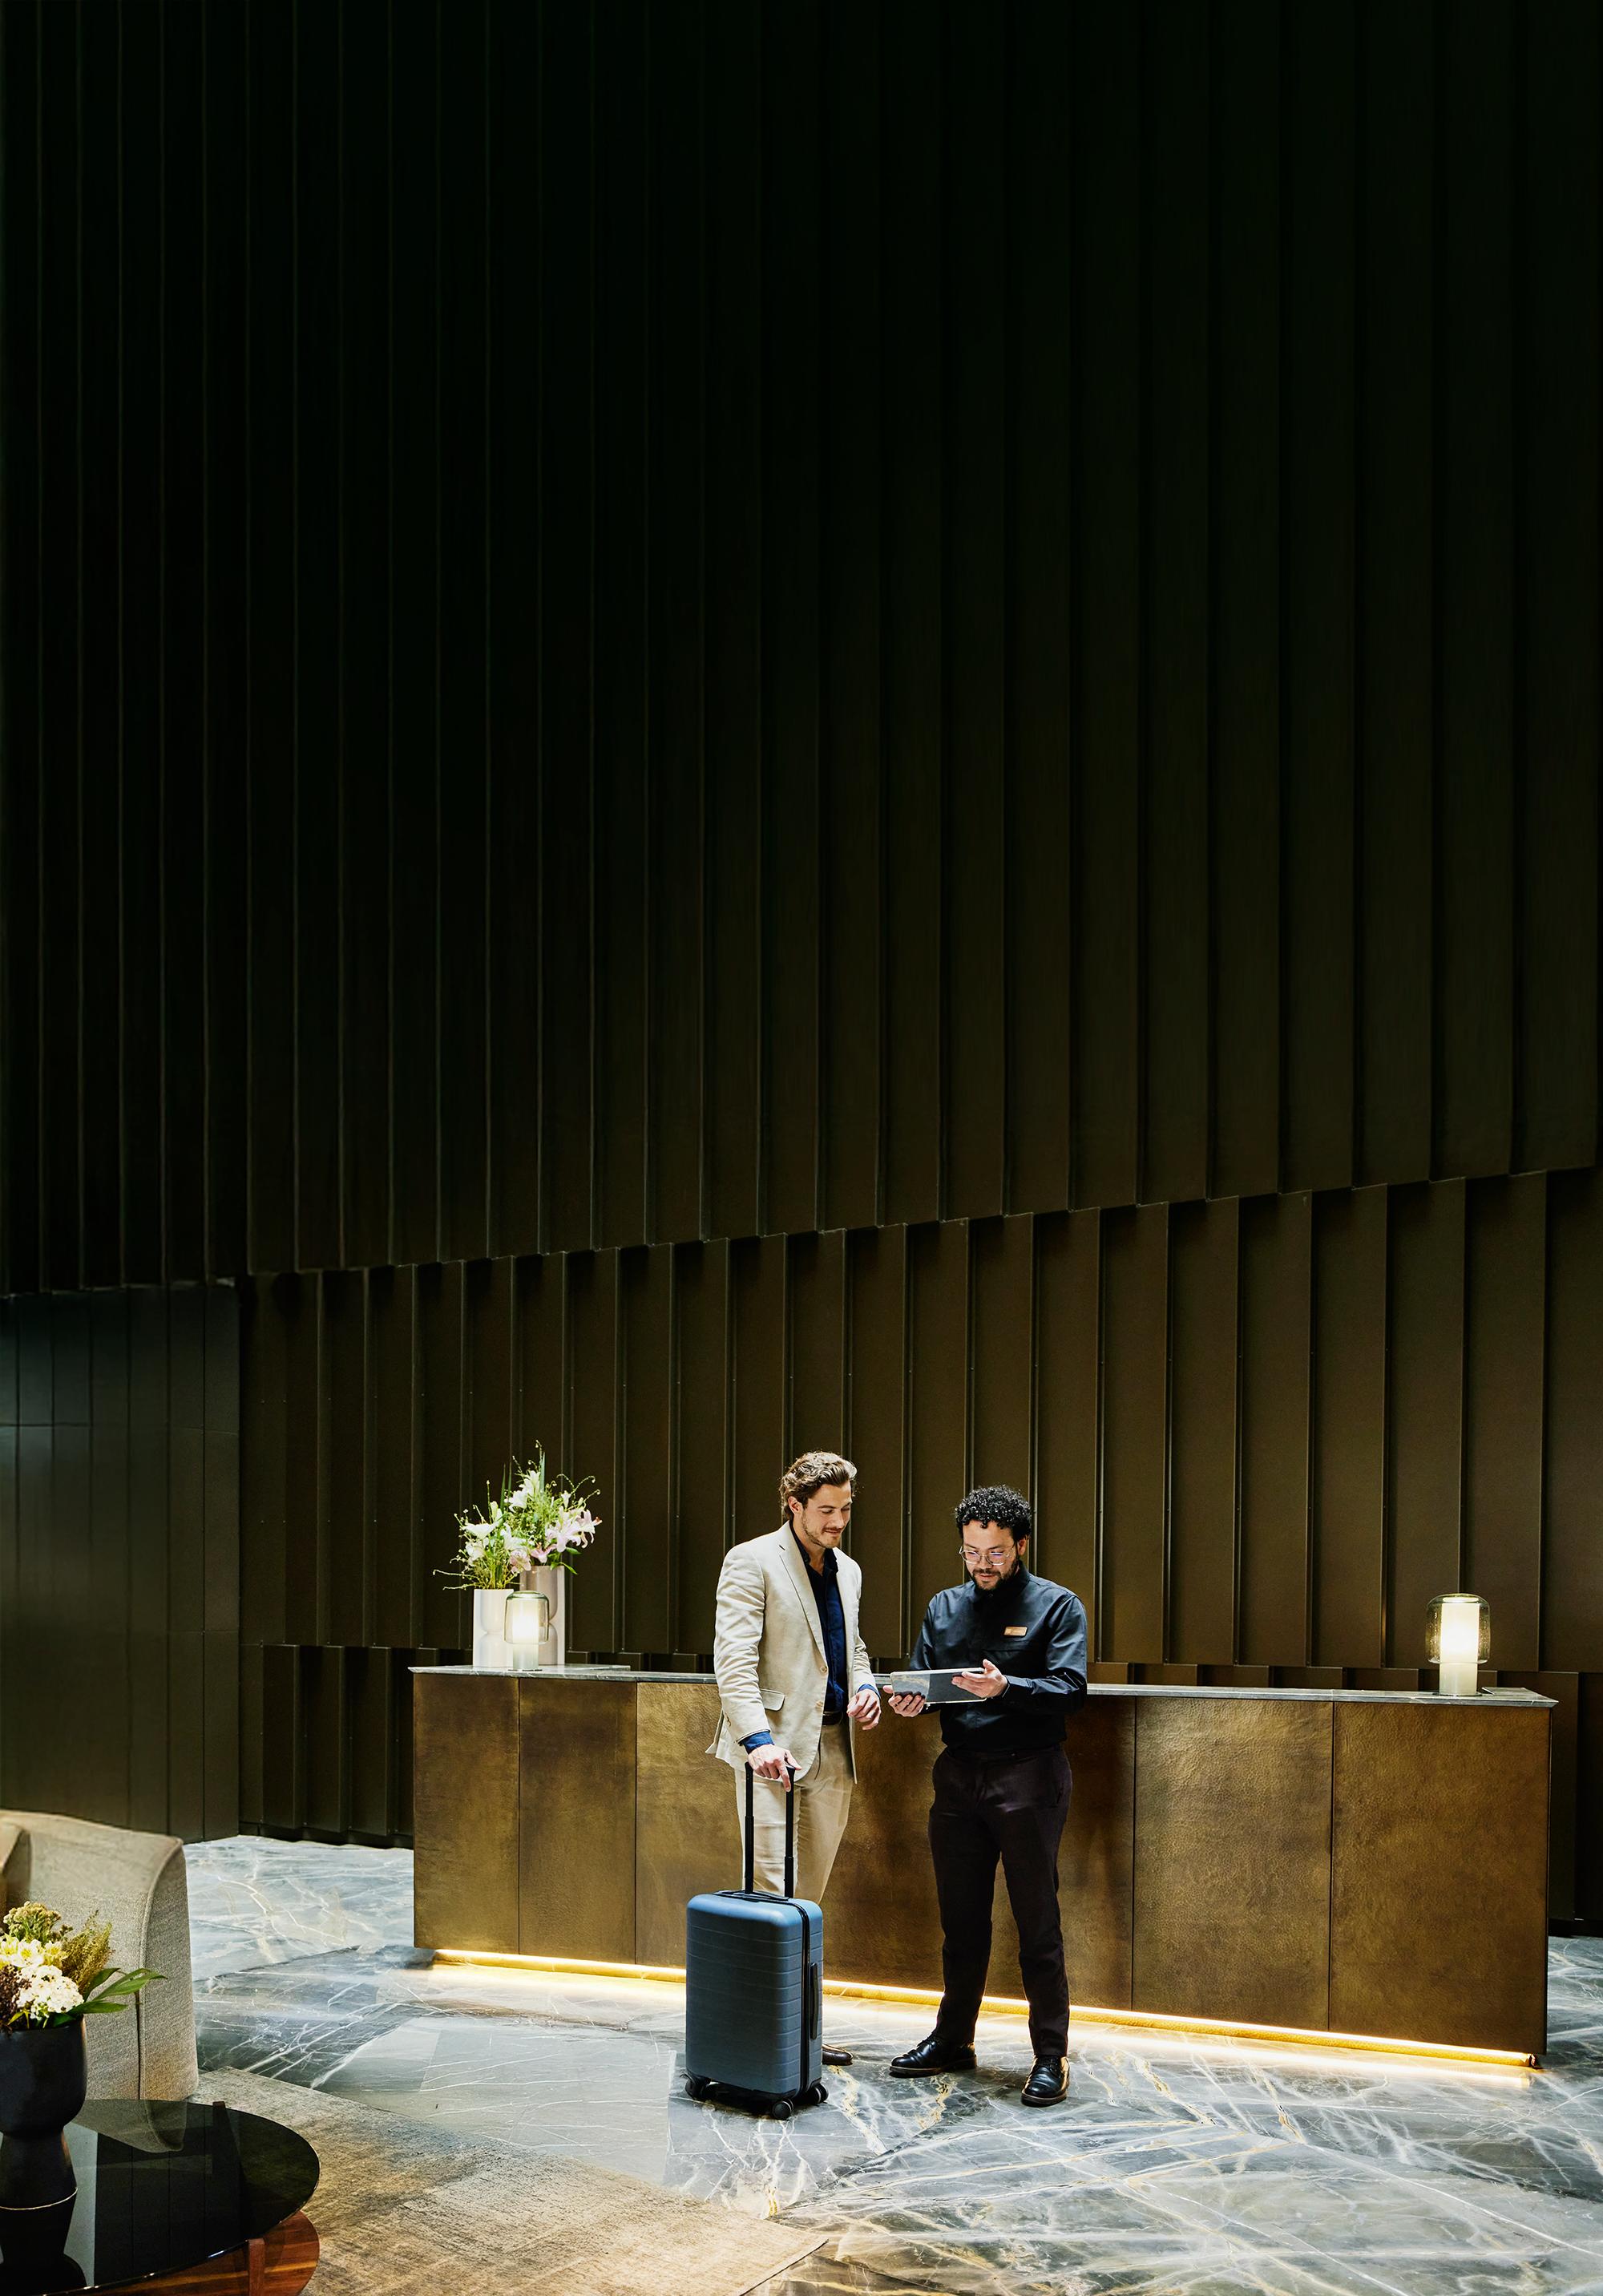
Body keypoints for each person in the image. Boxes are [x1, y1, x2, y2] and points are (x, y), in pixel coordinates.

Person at [886, 1484, 1087, 2105]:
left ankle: (1050, 2054)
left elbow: (1071, 1688)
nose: (982, 1564)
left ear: (1020, 1545)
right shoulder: (944, 1607)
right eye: (972, 1552)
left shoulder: (1057, 1605)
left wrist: (1008, 1688)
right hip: (958, 1776)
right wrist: (911, 1701)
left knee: (1037, 1923)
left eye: (995, 1552)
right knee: (961, 1921)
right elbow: (924, 1680)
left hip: (1029, 1776)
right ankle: (954, 2038)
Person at [709, 1449, 881, 2068]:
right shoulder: (751, 1560)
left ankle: (799, 2035)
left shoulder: (849, 1570)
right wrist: (756, 1741)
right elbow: (733, 1661)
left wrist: (866, 1686)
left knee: (806, 1904)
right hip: (771, 1754)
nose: (838, 1522)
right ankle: (764, 2040)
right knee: (770, 1896)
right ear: (795, 1505)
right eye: (827, 1510)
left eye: (846, 1509)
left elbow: (853, 1650)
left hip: (834, 1749)